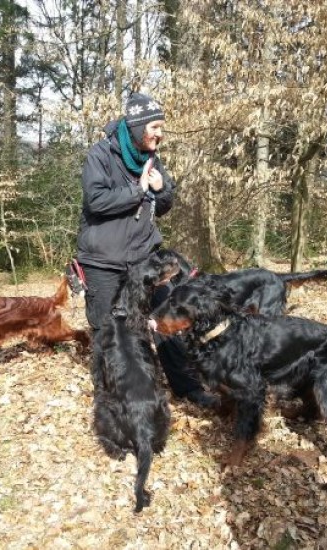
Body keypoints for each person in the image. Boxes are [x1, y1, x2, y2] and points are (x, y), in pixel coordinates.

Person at [76, 92, 219, 409]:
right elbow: (96, 201)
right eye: (154, 127)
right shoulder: (101, 155)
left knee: (167, 319)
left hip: (145, 259)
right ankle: (112, 399)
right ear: (137, 126)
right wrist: (138, 189)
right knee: (107, 329)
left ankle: (188, 388)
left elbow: (163, 205)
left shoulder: (153, 159)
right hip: (103, 261)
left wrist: (160, 189)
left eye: (161, 127)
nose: (160, 133)